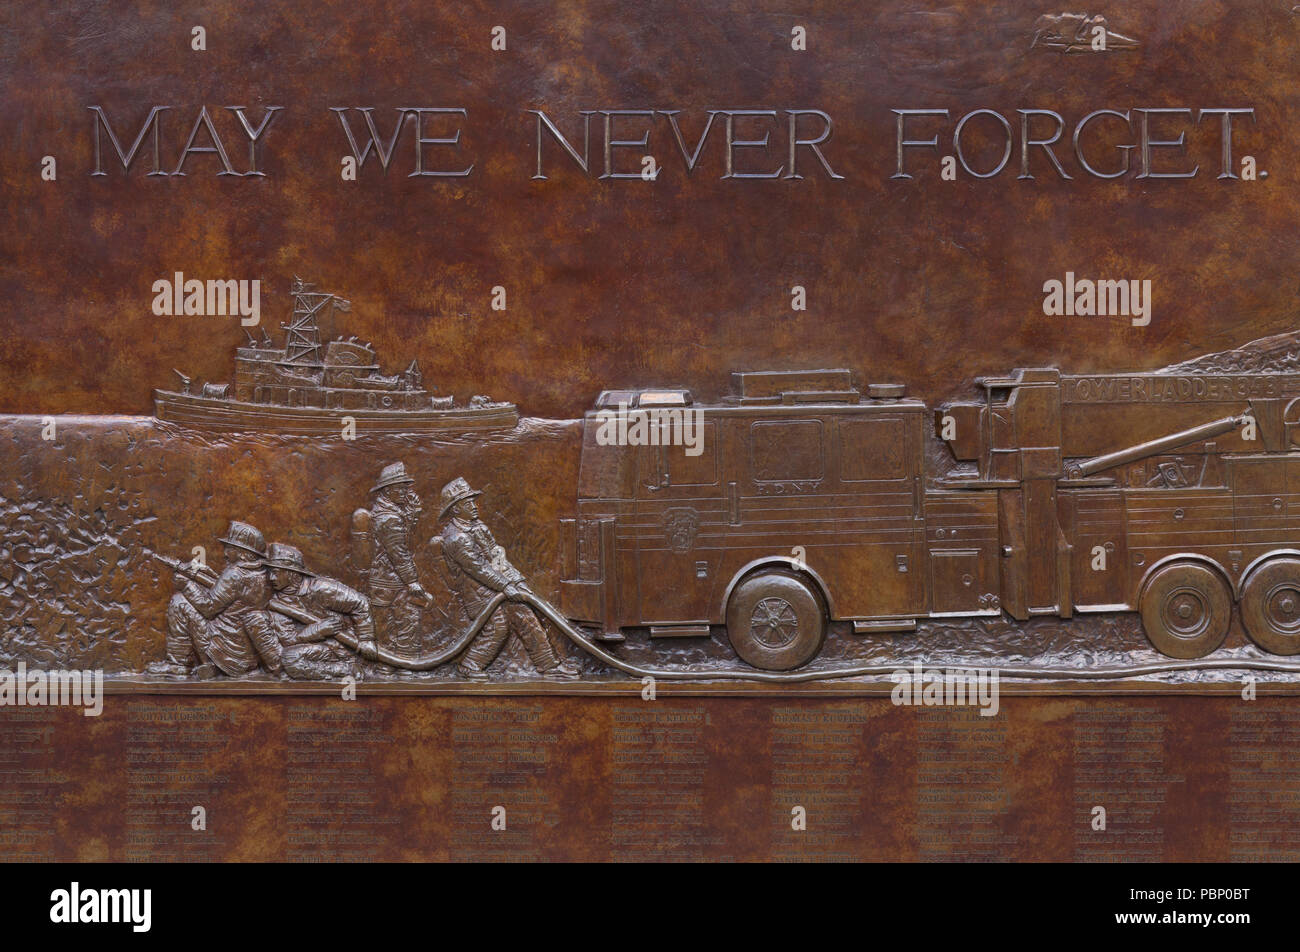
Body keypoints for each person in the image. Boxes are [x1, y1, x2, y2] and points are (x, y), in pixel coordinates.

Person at [437, 477, 578, 680]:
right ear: (456, 509)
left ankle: (549, 666)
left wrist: (517, 581)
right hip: (481, 597)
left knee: (526, 618)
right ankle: (469, 665)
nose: (474, 506)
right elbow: (479, 569)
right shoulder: (456, 538)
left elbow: (496, 558)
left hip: (499, 590)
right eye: (468, 503)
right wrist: (506, 586)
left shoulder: (477, 528)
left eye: (473, 501)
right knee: (498, 627)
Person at [150, 520, 281, 678]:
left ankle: (178, 664)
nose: (225, 553)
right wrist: (210, 575)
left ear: (241, 551)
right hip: (246, 655)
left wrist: (186, 585)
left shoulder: (235, 573)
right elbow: (231, 595)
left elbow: (209, 608)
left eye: (229, 548)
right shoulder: (263, 574)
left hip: (225, 651)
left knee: (179, 602)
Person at [264, 543, 377, 680]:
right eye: (270, 573)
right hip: (315, 651)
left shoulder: (322, 588)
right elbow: (288, 639)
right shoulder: (278, 602)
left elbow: (360, 603)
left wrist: (367, 638)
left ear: (290, 572)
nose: (271, 578)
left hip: (343, 647)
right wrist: (317, 630)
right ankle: (345, 669)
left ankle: (351, 663)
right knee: (289, 658)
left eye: (275, 573)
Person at [367, 462, 432, 657]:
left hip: (384, 580)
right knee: (407, 621)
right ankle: (406, 665)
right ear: (387, 490)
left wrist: (412, 515)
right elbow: (399, 553)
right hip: (392, 582)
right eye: (400, 488)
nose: (405, 491)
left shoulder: (388, 512)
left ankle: (388, 667)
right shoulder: (390, 517)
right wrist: (412, 581)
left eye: (406, 487)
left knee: (386, 627)